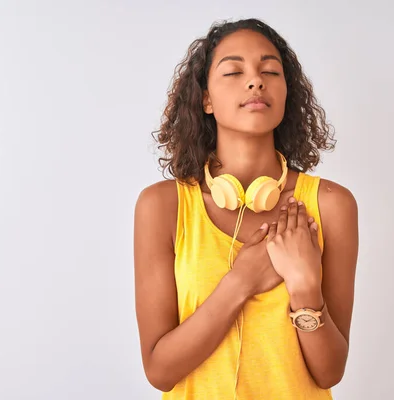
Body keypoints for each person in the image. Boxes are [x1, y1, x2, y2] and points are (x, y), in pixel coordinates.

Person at [134, 18, 359, 400]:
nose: (256, 81)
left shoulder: (331, 205)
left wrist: (304, 286)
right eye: (234, 71)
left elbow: (329, 372)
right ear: (205, 98)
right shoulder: (162, 207)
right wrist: (242, 281)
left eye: (270, 71)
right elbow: (160, 371)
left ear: (287, 94)